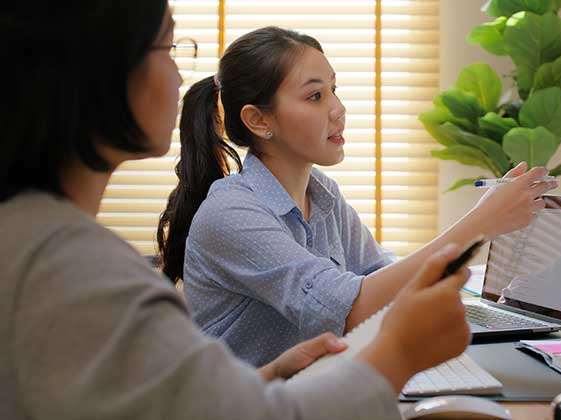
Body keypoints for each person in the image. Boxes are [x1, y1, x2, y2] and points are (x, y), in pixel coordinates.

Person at [0, 2, 472, 419]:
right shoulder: (67, 268)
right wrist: (400, 352)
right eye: (167, 49)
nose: (181, 74)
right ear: (98, 70)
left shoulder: (40, 242)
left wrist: (265, 378)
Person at [157, 26, 558, 365]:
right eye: (315, 96)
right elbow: (348, 309)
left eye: (334, 89)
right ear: (259, 120)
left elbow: (380, 281)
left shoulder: (322, 195)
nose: (338, 109)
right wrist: (479, 224)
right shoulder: (232, 212)